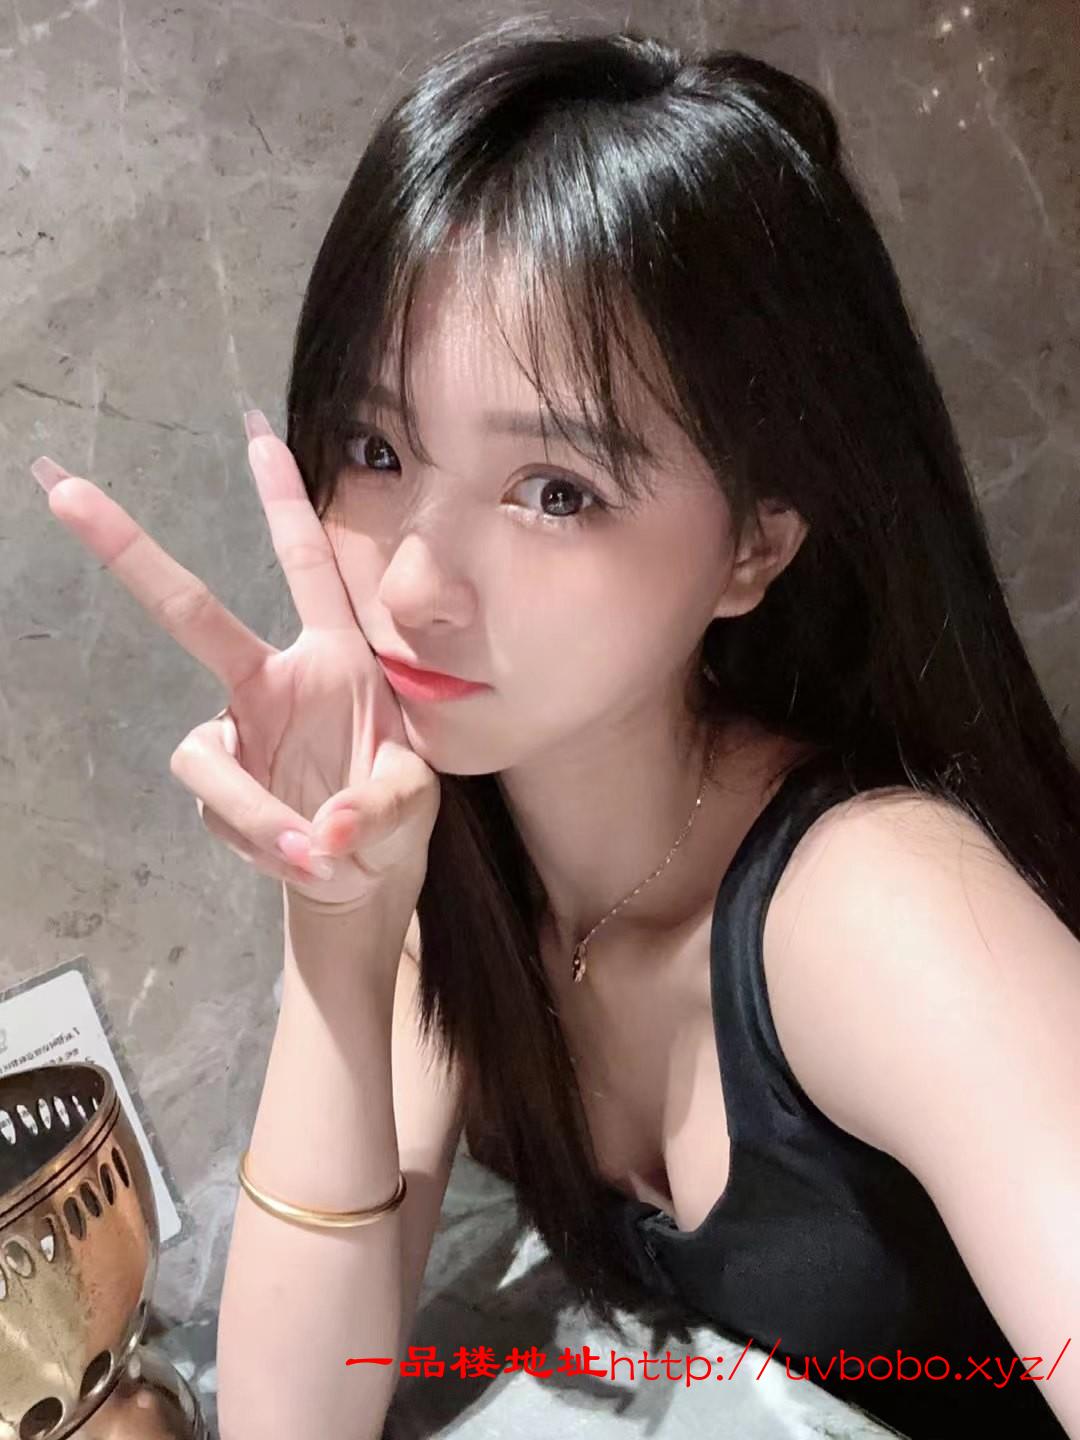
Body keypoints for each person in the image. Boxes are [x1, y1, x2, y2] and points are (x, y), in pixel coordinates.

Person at [29, 18, 1079, 1440]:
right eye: (378, 450)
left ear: (755, 546)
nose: (412, 584)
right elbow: (299, 1422)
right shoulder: (448, 860)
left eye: (557, 491)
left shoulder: (882, 910)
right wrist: (334, 931)